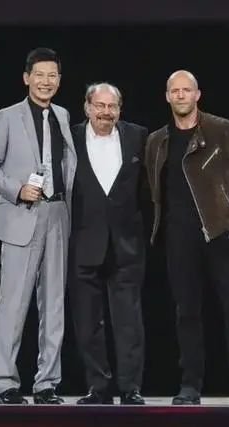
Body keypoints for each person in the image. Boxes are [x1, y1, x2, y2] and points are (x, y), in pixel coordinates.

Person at [144, 70, 229, 405]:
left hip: (222, 232)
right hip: (178, 237)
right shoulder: (157, 141)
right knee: (186, 312)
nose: (181, 95)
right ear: (167, 96)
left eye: (187, 90)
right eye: (175, 90)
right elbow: (153, 192)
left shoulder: (222, 130)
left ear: (197, 94)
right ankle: (190, 385)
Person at [0, 47, 77, 405]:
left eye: (52, 75)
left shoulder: (63, 116)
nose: (46, 81)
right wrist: (17, 189)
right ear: (26, 78)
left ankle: (47, 383)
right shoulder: (7, 117)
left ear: (59, 80)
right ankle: (6, 382)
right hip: (22, 214)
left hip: (57, 214)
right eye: (40, 75)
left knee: (54, 304)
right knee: (14, 304)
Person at [68, 83, 148, 405]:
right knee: (87, 321)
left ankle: (131, 388)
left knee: (129, 320)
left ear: (120, 109)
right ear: (87, 107)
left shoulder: (138, 136)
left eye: (111, 106)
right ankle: (98, 387)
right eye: (99, 106)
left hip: (126, 244)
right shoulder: (69, 137)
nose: (105, 112)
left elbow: (148, 188)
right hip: (83, 243)